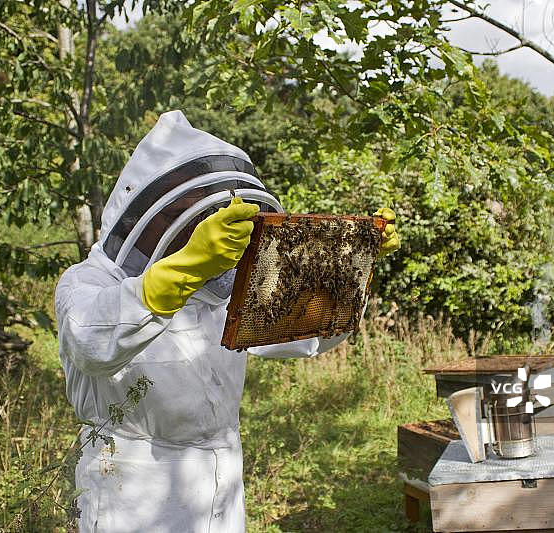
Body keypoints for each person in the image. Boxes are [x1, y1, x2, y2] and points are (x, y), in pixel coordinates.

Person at [54, 110, 400, 532]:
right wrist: (185, 268)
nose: (194, 225)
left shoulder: (218, 293)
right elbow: (92, 342)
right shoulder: (88, 282)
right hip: (132, 491)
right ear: (144, 212)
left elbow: (302, 333)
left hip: (221, 485)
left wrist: (348, 273)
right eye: (183, 213)